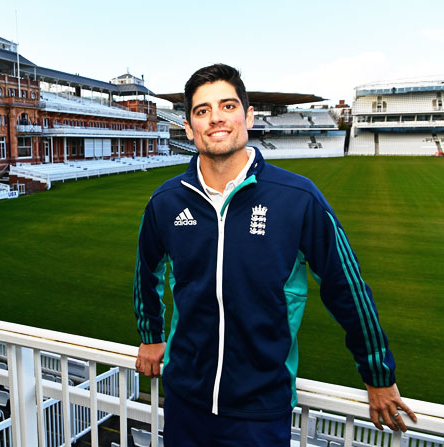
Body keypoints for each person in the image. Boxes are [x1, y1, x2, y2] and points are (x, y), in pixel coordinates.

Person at [133, 63, 417, 446]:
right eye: (202, 111)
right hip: (185, 402)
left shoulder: (297, 197)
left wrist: (378, 374)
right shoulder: (165, 202)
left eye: (228, 106)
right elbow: (145, 273)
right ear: (188, 128)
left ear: (248, 116)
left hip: (261, 411)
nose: (216, 118)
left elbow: (345, 287)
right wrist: (151, 335)